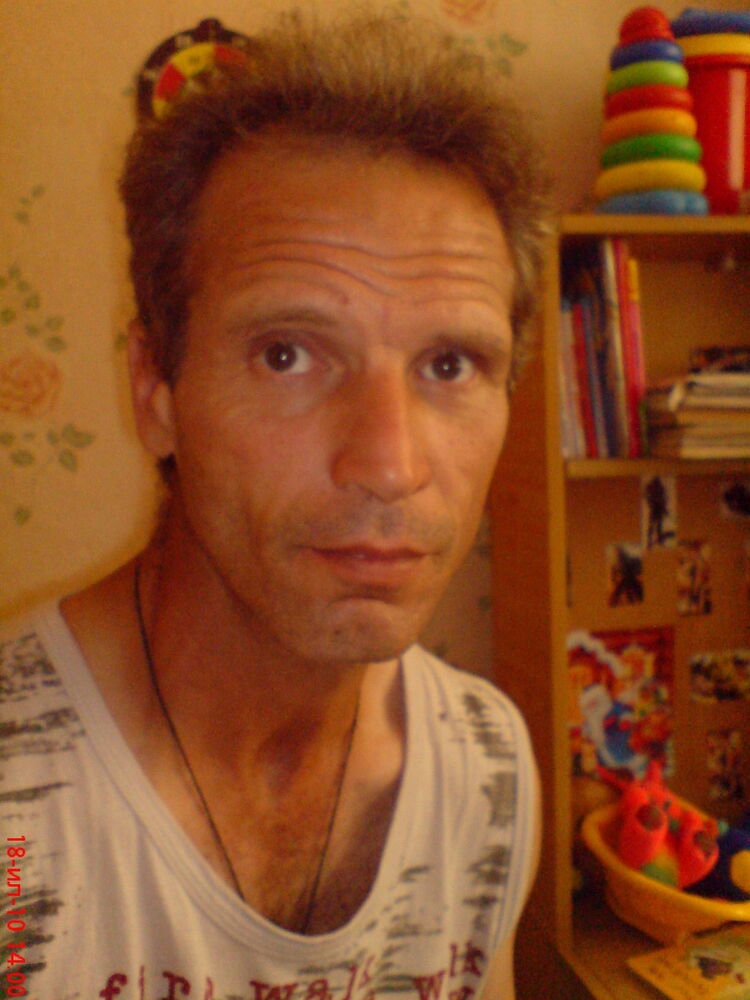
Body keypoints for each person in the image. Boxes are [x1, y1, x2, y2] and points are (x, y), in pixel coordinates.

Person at [0, 10, 549, 998]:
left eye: (450, 364)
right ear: (154, 390)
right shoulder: (18, 811)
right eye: (288, 354)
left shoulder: (488, 767)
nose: (389, 465)